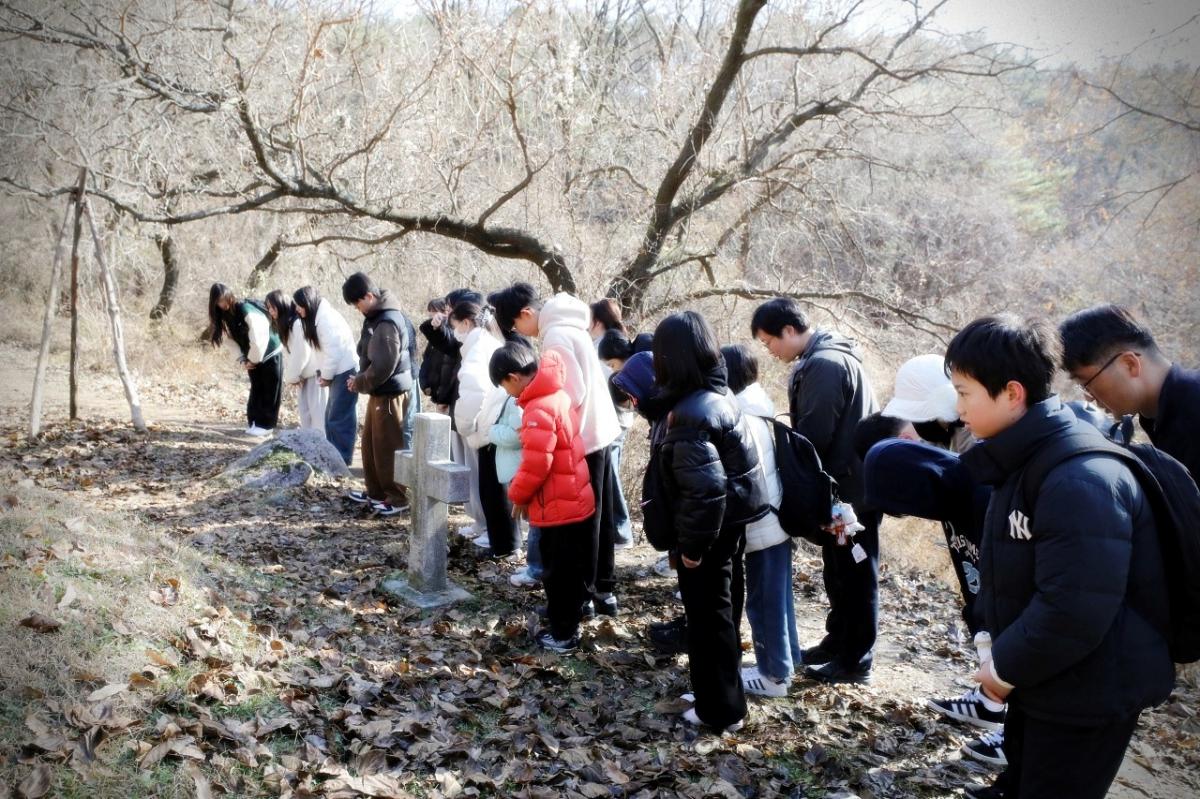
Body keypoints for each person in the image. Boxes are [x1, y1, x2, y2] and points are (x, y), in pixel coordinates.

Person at [946, 314, 1172, 799]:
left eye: (965, 393)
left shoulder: (1079, 477)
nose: (957, 407)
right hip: (1049, 678)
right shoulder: (1025, 456)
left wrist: (1003, 669)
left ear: (1011, 393)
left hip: (1089, 692)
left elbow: (1074, 608)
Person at [751, 297, 881, 684]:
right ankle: (838, 640)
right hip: (843, 487)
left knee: (856, 571)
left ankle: (857, 658)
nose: (770, 351)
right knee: (839, 569)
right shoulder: (822, 358)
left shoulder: (825, 365)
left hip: (850, 492)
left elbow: (814, 438)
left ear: (789, 331)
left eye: (769, 341)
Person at [652, 313, 767, 731]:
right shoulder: (716, 396)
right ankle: (718, 694)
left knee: (710, 620)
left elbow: (704, 491)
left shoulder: (691, 414)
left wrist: (693, 549)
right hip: (729, 527)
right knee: (723, 612)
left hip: (709, 534)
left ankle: (720, 710)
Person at [490, 283, 622, 615]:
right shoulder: (569, 325)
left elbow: (569, 396)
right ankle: (603, 590)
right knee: (601, 519)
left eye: (516, 326)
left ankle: (583, 597)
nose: (521, 333)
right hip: (600, 429)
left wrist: (546, 427)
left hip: (584, 437)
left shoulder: (556, 337)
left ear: (525, 314)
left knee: (584, 525)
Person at [499, 341, 596, 652]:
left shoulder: (537, 408)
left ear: (513, 377)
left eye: (503, 384)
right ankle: (572, 619)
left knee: (558, 574)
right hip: (575, 496)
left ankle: (563, 634)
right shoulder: (556, 393)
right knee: (572, 568)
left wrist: (517, 494)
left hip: (557, 504)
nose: (507, 392)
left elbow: (538, 464)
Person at [722, 344, 801, 699]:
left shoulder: (743, 417)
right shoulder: (759, 405)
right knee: (777, 597)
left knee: (763, 601)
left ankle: (774, 675)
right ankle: (786, 662)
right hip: (776, 518)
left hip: (762, 523)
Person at [1059, 304, 1200, 481]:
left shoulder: (1193, 411)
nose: (1088, 396)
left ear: (1129, 364)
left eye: (1086, 383)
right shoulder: (1161, 416)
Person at [342, 272, 415, 516]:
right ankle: (376, 492)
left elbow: (384, 364)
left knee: (387, 447)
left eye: (357, 303)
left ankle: (396, 496)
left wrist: (361, 381)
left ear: (369, 296)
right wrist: (361, 380)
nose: (356, 308)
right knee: (371, 444)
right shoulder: (376, 317)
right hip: (378, 392)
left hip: (390, 393)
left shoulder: (387, 321)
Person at [450, 301, 518, 557]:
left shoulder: (478, 349)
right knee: (494, 487)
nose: (455, 332)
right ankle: (502, 540)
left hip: (488, 424)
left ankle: (502, 543)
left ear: (466, 323)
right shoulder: (487, 342)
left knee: (493, 489)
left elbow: (473, 391)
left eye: (455, 325)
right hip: (495, 421)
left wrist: (466, 425)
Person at [293, 286, 359, 465]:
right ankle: (333, 455)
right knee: (331, 416)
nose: (297, 309)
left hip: (344, 371)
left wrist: (326, 376)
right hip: (337, 371)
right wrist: (322, 373)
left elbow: (334, 353)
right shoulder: (318, 319)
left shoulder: (326, 320)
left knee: (339, 417)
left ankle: (341, 459)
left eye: (299, 305)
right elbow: (322, 354)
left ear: (308, 303)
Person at [207, 282, 282, 437]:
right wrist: (242, 359)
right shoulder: (222, 316)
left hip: (269, 351)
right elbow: (230, 341)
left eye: (224, 299)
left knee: (270, 389)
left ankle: (266, 425)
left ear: (230, 296)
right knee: (256, 387)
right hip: (252, 356)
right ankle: (254, 422)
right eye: (219, 302)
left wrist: (253, 359)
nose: (223, 304)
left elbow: (259, 336)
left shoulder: (245, 309)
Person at [266, 289, 324, 432]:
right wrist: (295, 376)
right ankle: (310, 450)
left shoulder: (297, 324)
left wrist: (292, 376)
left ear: (282, 305)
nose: (271, 311)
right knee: (306, 416)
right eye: (268, 308)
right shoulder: (287, 325)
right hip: (303, 377)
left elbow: (301, 352)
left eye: (273, 307)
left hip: (315, 376)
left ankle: (322, 451)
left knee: (318, 418)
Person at [419, 298, 458, 414]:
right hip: (436, 393)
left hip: (447, 398)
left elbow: (449, 370)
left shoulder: (452, 336)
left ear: (446, 312)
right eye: (430, 310)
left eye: (435, 310)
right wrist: (424, 383)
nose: (432, 314)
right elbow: (426, 360)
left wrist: (443, 397)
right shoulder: (433, 335)